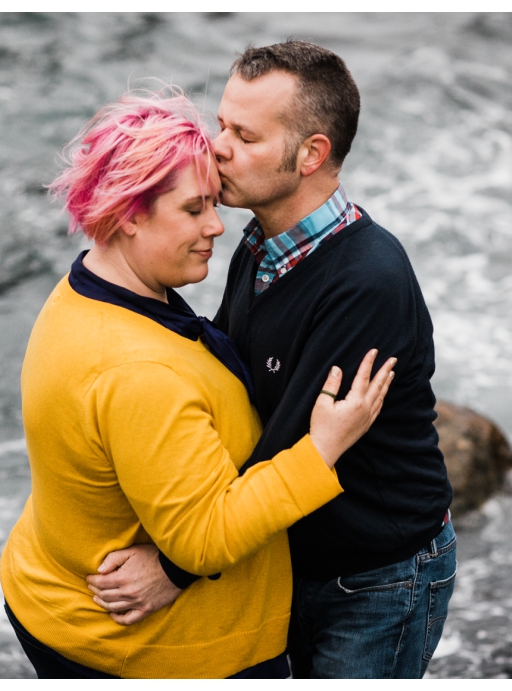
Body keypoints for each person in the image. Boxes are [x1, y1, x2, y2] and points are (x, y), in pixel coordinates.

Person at [87, 42, 456, 679]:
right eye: (221, 124)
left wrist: (174, 567)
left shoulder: (367, 280)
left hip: (376, 579)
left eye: (245, 135)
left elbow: (288, 441)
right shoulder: (259, 244)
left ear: (311, 154)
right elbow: (226, 379)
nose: (217, 146)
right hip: (293, 556)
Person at [0, 90, 395, 679]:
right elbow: (202, 541)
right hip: (155, 652)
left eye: (214, 202)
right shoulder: (138, 373)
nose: (216, 225)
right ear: (129, 213)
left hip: (54, 599)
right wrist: (322, 449)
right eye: (193, 210)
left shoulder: (85, 291)